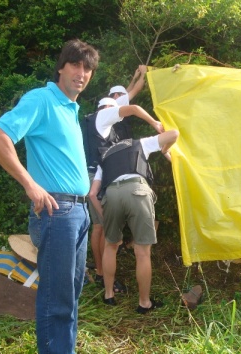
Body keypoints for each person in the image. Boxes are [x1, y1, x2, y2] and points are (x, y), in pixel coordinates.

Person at [0, 39, 99, 353]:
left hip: (78, 212)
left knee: (70, 297)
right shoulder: (43, 99)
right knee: (56, 299)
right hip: (57, 211)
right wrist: (30, 184)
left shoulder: (71, 110)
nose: (82, 72)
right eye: (75, 64)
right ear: (61, 67)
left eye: (88, 68)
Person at [88, 129, 179, 313]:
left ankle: (108, 295)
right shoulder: (139, 143)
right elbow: (174, 134)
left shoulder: (104, 157)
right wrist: (164, 150)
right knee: (142, 252)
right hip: (137, 190)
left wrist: (105, 219)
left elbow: (92, 194)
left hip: (111, 194)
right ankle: (144, 303)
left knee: (110, 245)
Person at [82, 96, 164, 294]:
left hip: (92, 174)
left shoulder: (92, 123)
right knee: (104, 230)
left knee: (100, 228)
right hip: (98, 176)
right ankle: (104, 277)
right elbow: (134, 107)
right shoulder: (103, 115)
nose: (119, 117)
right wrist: (155, 123)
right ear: (109, 108)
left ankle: (103, 277)